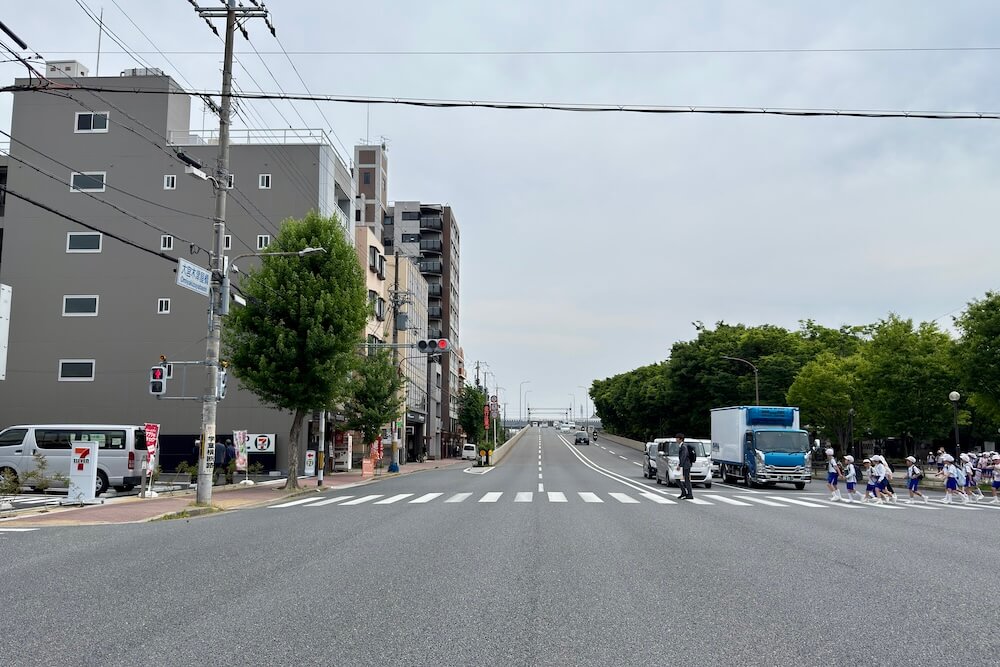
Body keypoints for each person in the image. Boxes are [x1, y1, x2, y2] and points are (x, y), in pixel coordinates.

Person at [675, 433, 694, 500]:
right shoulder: (682, 446)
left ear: (681, 439)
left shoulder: (683, 446)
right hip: (684, 465)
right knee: (678, 478)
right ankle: (684, 492)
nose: (676, 440)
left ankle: (689, 494)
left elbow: (684, 456)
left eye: (677, 438)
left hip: (685, 465)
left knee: (686, 479)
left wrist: (680, 465)